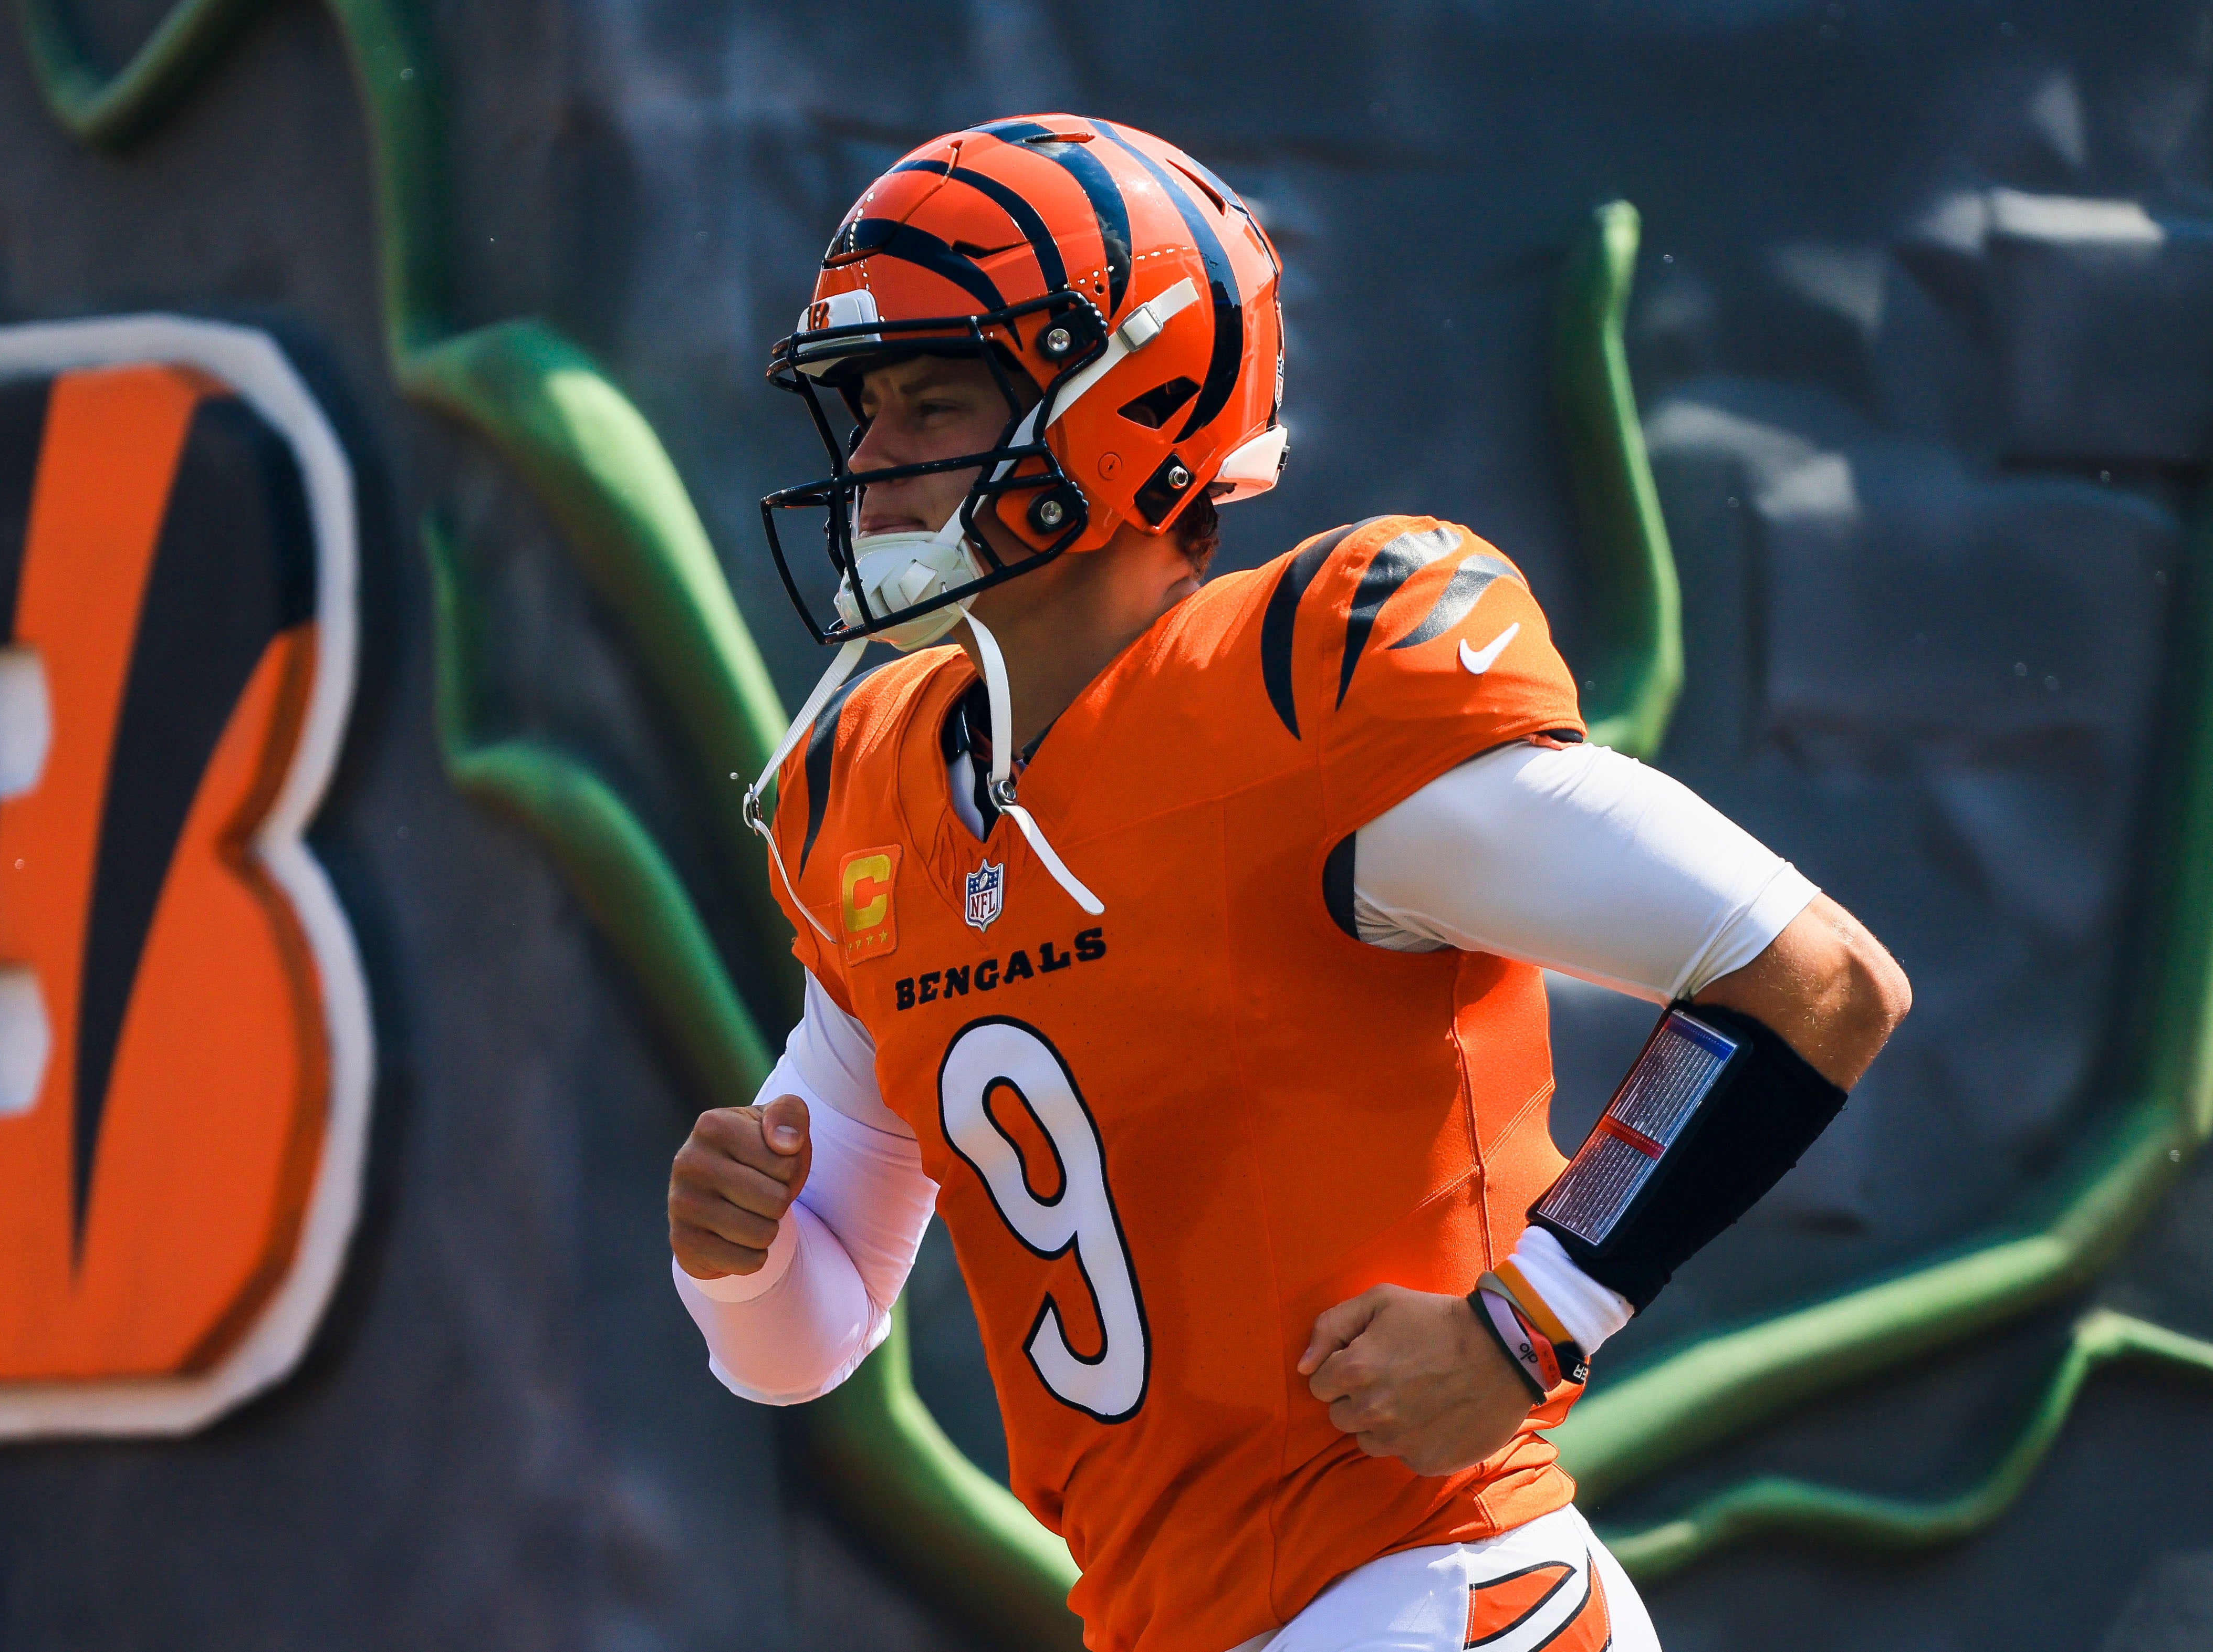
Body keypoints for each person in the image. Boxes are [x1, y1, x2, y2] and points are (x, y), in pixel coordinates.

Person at [667, 113, 1909, 1652]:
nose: (869, 460)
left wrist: (1539, 1317)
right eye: (863, 409)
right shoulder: (882, 790)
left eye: (933, 400)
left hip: (1439, 1592)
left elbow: (1813, 979)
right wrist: (741, 1253)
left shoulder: (1300, 695)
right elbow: (812, 1329)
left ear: (1121, 401)